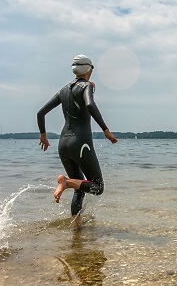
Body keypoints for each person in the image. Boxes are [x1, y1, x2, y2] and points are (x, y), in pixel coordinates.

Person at [37, 54, 118, 227]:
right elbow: (89, 105)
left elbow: (40, 113)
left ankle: (76, 230)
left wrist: (43, 135)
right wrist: (106, 130)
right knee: (98, 187)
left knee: (80, 187)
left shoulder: (64, 90)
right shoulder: (87, 85)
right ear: (89, 69)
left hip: (62, 144)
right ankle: (65, 182)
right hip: (80, 143)